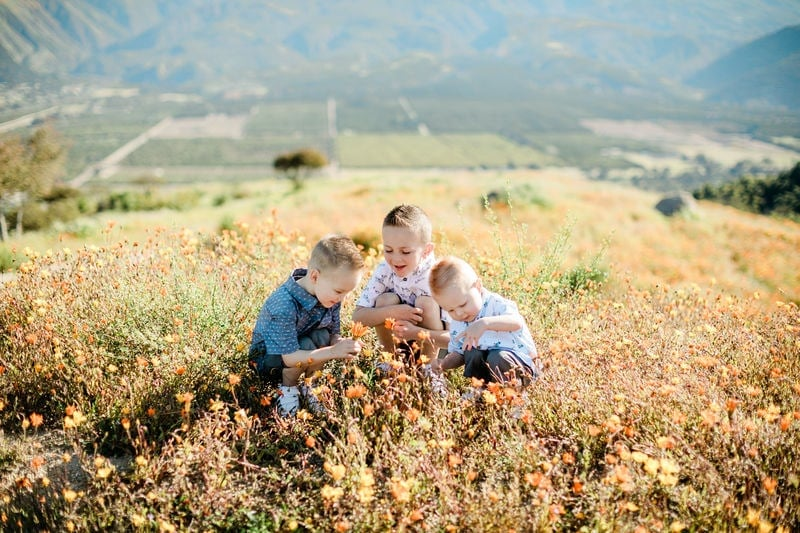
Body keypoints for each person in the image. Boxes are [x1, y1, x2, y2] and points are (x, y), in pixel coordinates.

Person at [248, 234, 365, 417]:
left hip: (301, 347)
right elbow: (289, 358)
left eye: (347, 293)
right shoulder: (284, 305)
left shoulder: (330, 294)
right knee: (308, 344)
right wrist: (334, 351)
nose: (342, 299)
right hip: (270, 360)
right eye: (340, 292)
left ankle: (310, 387)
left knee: (322, 337)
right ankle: (288, 389)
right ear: (315, 276)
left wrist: (343, 345)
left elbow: (333, 333)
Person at [428, 256, 540, 398]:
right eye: (450, 310)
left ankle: (513, 396)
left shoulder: (496, 304)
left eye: (463, 304)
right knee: (471, 352)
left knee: (497, 356)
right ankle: (482, 390)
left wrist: (485, 324)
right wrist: (444, 364)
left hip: (522, 366)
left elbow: (517, 322)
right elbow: (459, 353)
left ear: (478, 287)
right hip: (491, 369)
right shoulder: (458, 321)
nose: (459, 313)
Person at [352, 204, 447, 363]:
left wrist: (416, 332)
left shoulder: (438, 277)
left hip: (437, 346)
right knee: (385, 300)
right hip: (399, 340)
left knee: (426, 303)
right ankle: (392, 363)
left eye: (405, 252)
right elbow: (357, 319)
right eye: (388, 250)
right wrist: (393, 312)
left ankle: (429, 371)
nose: (396, 259)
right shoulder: (385, 269)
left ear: (427, 250)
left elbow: (454, 339)